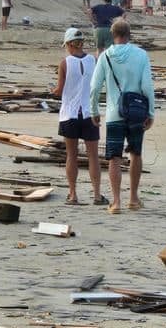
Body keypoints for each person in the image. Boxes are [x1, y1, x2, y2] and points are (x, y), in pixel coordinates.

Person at [90, 20, 155, 214]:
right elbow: (147, 86)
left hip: (113, 113)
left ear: (112, 34)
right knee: (136, 153)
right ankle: (133, 198)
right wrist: (150, 111)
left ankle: (116, 201)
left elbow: (94, 87)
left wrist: (94, 110)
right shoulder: (141, 55)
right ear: (129, 34)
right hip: (136, 112)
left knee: (114, 157)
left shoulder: (105, 56)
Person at [51, 28, 106, 205]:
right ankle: (97, 195)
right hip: (90, 112)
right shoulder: (93, 60)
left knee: (71, 155)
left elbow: (59, 90)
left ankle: (73, 193)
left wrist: (54, 91)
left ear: (68, 44)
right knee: (93, 156)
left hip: (70, 113)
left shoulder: (65, 63)